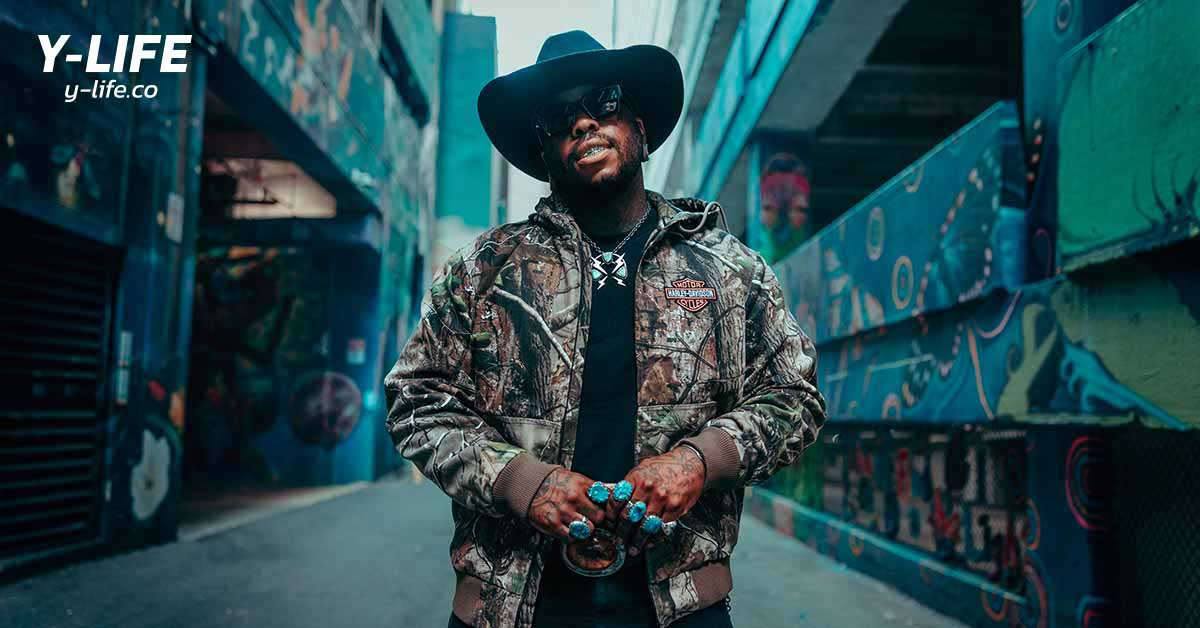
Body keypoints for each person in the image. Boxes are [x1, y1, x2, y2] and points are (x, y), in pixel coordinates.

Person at [384, 30, 826, 628]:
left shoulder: (729, 268)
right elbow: (415, 400)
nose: (584, 122)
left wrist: (698, 461)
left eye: (605, 102)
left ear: (640, 130)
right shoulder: (483, 271)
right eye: (559, 117)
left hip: (681, 606)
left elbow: (794, 396)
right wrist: (521, 481)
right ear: (544, 152)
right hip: (508, 606)